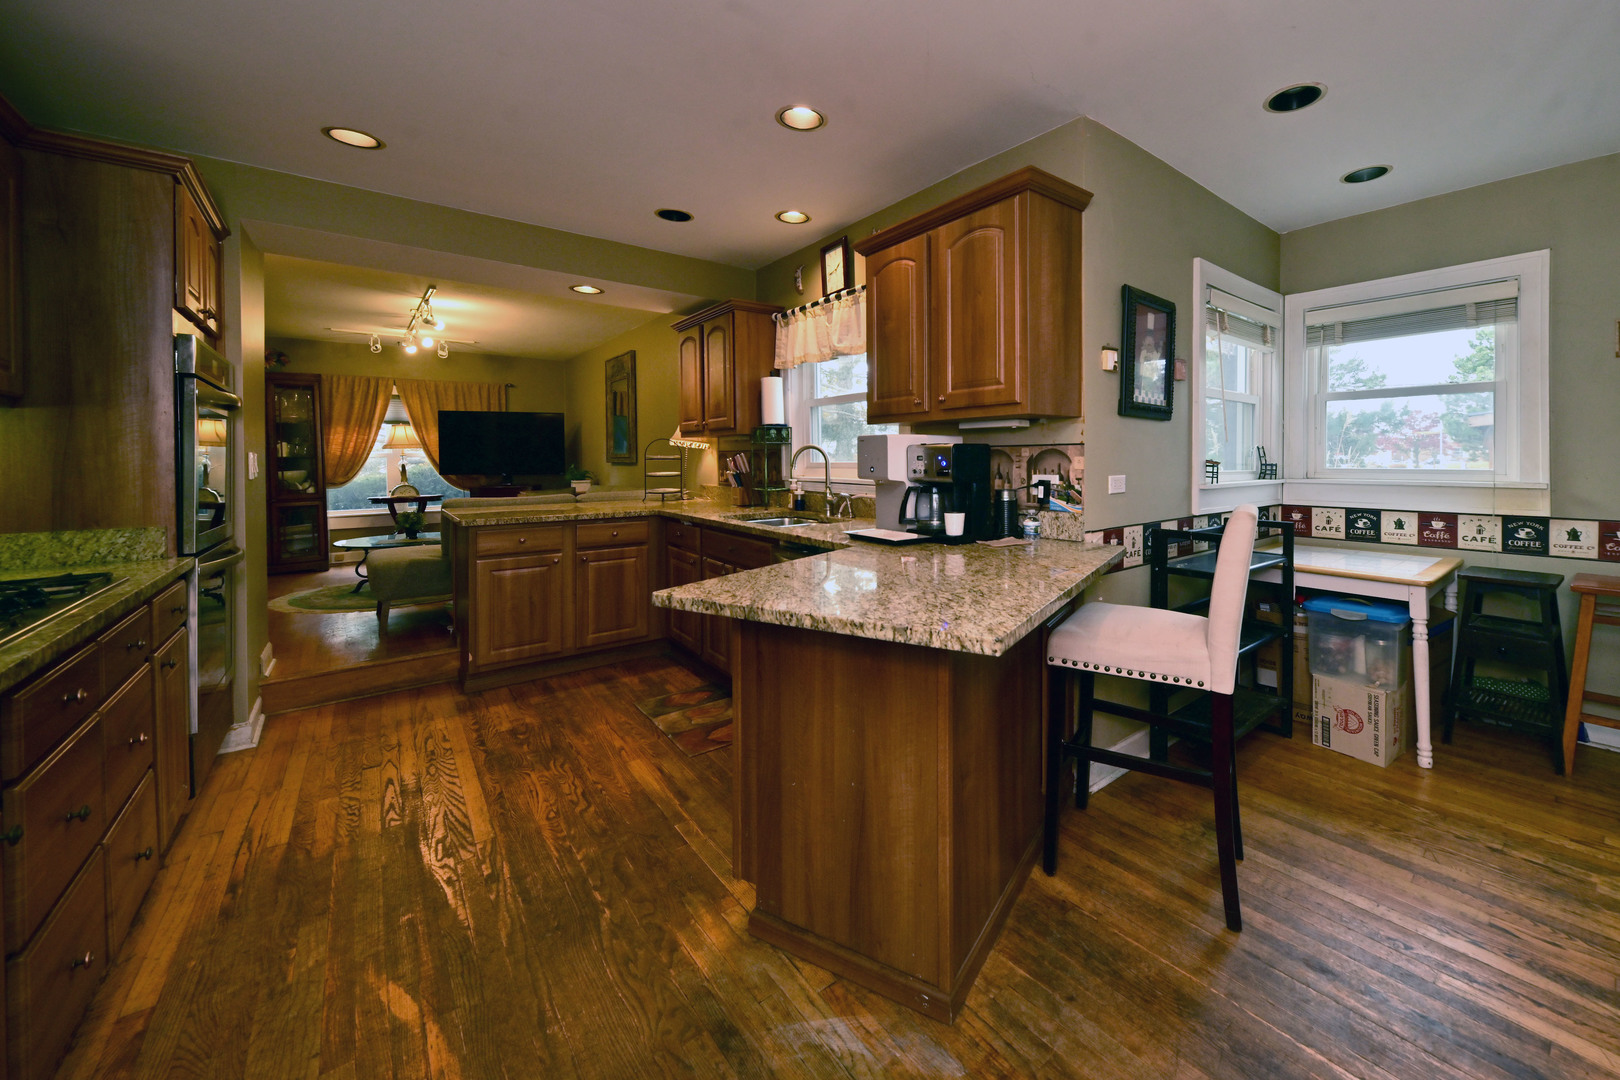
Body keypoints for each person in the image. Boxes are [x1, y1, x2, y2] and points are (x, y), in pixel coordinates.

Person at [1135, 311, 1168, 404]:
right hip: (1145, 376)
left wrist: (1161, 345)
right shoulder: (1144, 353)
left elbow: (1157, 357)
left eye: (1152, 344)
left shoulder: (1154, 353)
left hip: (1152, 377)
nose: (1150, 346)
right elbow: (1144, 361)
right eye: (1148, 344)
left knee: (1151, 387)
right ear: (1144, 344)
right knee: (1144, 386)